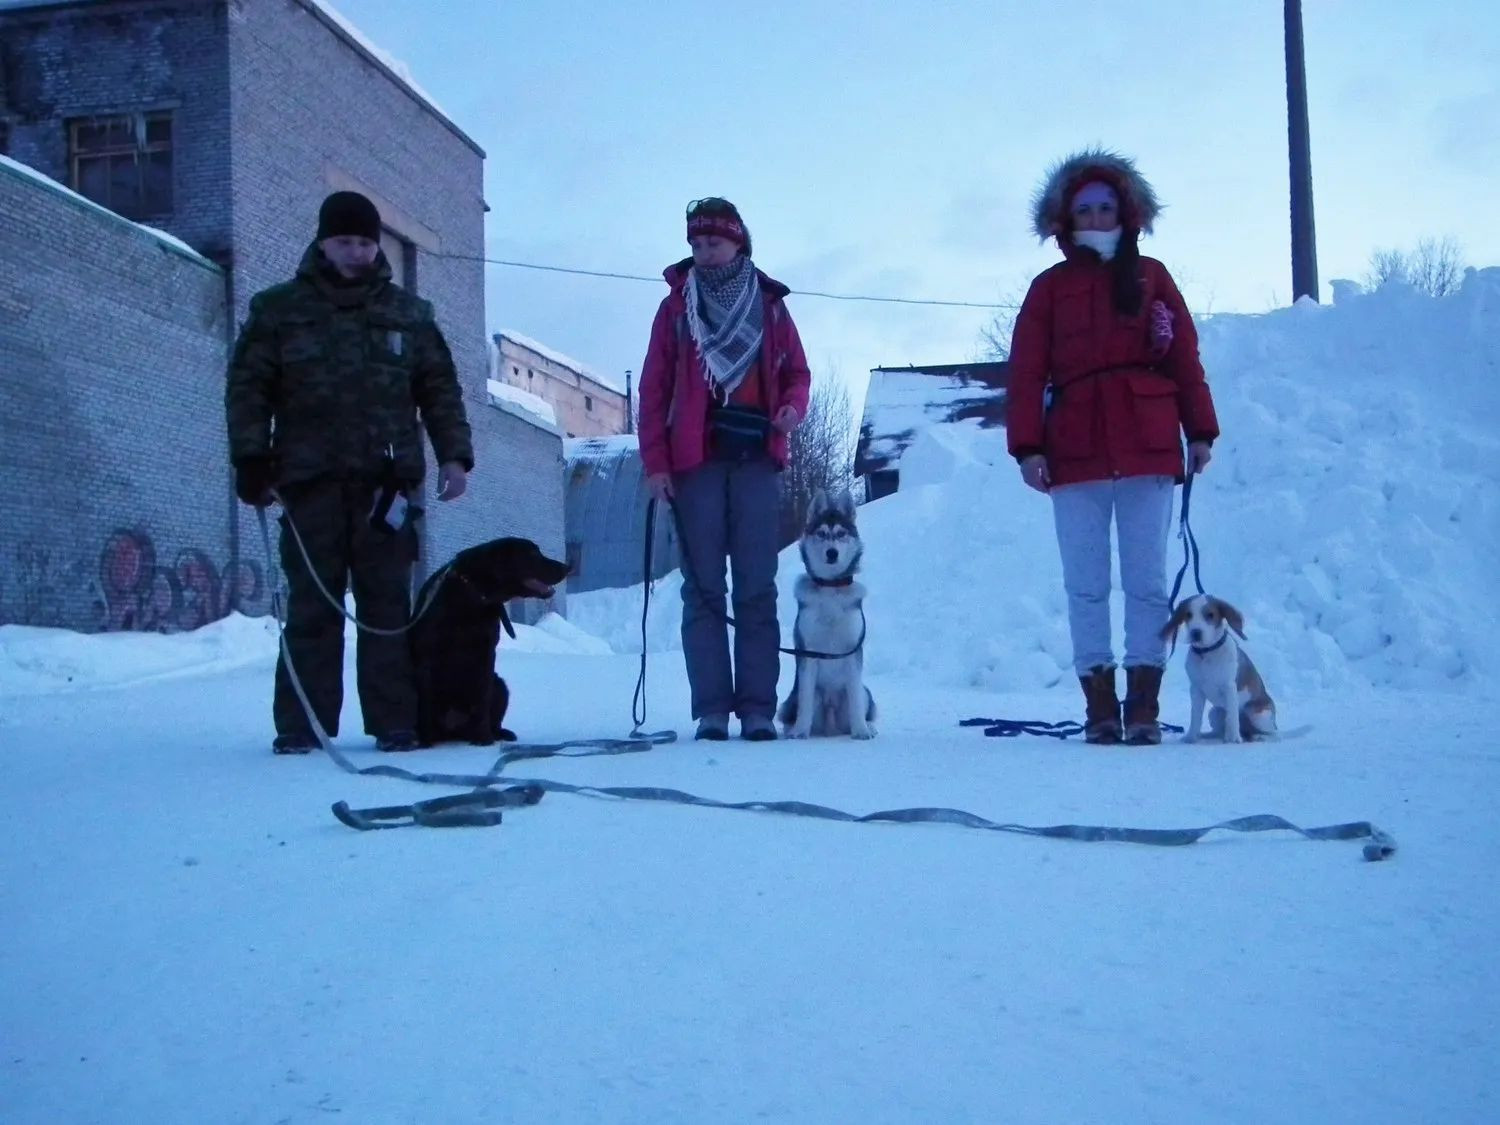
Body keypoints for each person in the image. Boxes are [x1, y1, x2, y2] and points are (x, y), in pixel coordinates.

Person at [225, 190, 474, 754]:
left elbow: (439, 389)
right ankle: (302, 724)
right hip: (307, 482)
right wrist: (250, 459)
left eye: (365, 242)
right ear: (322, 242)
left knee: (387, 606)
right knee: (313, 605)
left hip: (384, 487)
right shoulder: (279, 311)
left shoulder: (409, 315)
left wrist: (453, 456)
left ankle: (395, 722)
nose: (357, 253)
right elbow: (248, 389)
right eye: (345, 242)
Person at [1006, 150, 1221, 744]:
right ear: (1066, 218)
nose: (1097, 218)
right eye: (1085, 210)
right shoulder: (1048, 288)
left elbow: (1184, 358)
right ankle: (1100, 708)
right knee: (1086, 584)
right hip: (1074, 448)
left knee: (1147, 582)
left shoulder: (1152, 275)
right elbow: (1026, 372)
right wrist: (1027, 446)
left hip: (1148, 442)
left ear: (1124, 211)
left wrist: (1199, 430)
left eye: (1106, 207)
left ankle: (1144, 708)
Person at [638, 197, 811, 742]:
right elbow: (653, 391)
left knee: (757, 586)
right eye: (697, 243)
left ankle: (758, 708)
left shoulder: (770, 305)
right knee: (704, 587)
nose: (705, 252)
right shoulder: (675, 309)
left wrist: (792, 409)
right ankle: (712, 708)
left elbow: (798, 373)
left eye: (714, 242)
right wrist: (655, 464)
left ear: (739, 242)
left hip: (758, 457)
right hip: (696, 462)